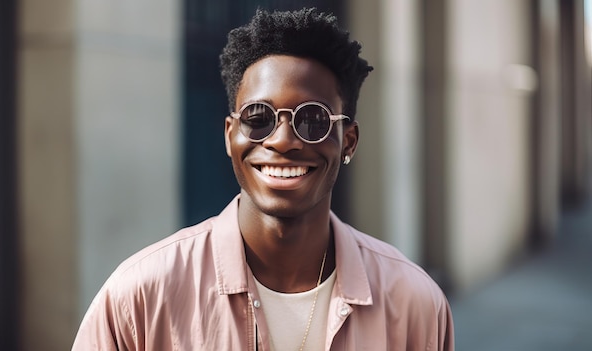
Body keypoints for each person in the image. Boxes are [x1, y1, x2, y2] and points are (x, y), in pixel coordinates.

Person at [72, 7, 454, 351]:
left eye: (313, 119)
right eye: (257, 118)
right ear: (229, 136)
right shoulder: (139, 298)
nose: (283, 141)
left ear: (348, 141)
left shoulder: (414, 303)